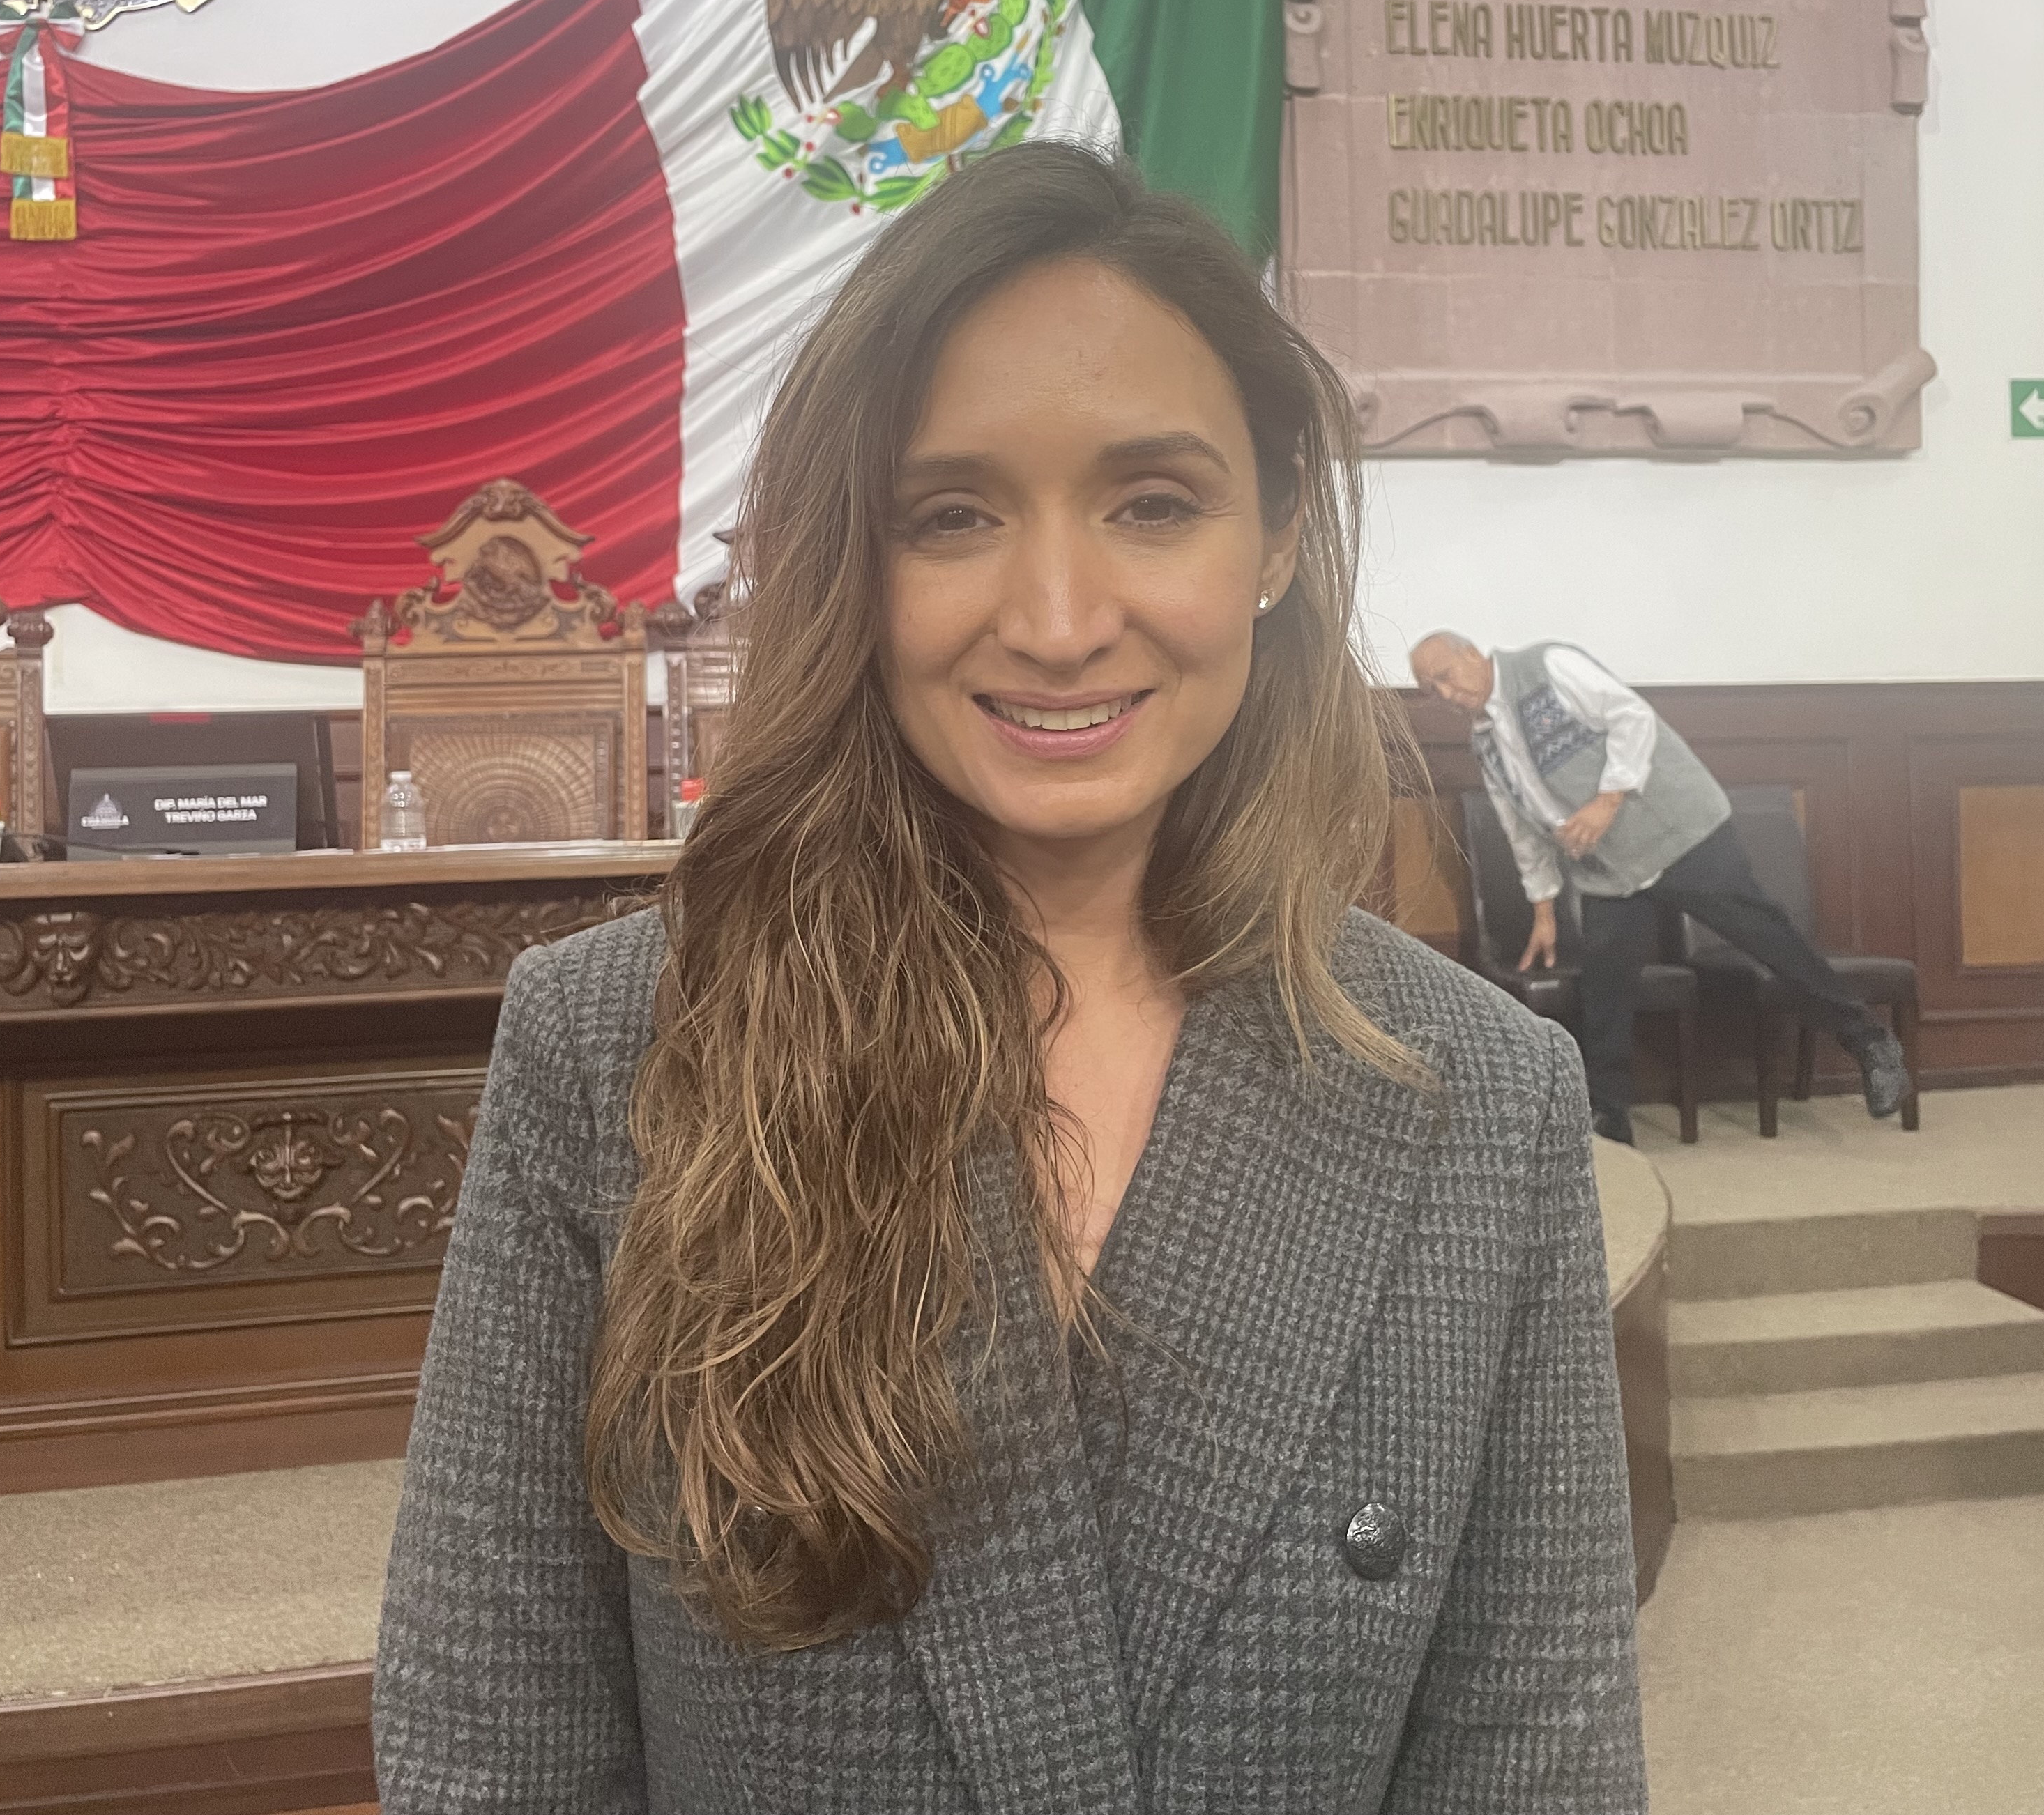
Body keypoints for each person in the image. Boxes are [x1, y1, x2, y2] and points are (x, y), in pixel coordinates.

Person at [374, 146, 1647, 1813]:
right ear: (857, 557)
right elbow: (496, 1754)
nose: (1056, 621)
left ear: (1274, 535)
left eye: (1154, 504)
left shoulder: (1487, 1097)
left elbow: (1536, 1766)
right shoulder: (613, 1045)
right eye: (953, 516)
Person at [1409, 631, 1912, 1146]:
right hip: (1609, 869)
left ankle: (1869, 1040)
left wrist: (1608, 800)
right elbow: (1521, 826)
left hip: (1679, 833)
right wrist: (1543, 909)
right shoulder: (1486, 742)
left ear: (1472, 654)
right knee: (1604, 987)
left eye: (1444, 677)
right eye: (1430, 690)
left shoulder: (1547, 666)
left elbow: (1631, 716)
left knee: (1768, 938)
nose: (1444, 694)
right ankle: (1610, 1120)